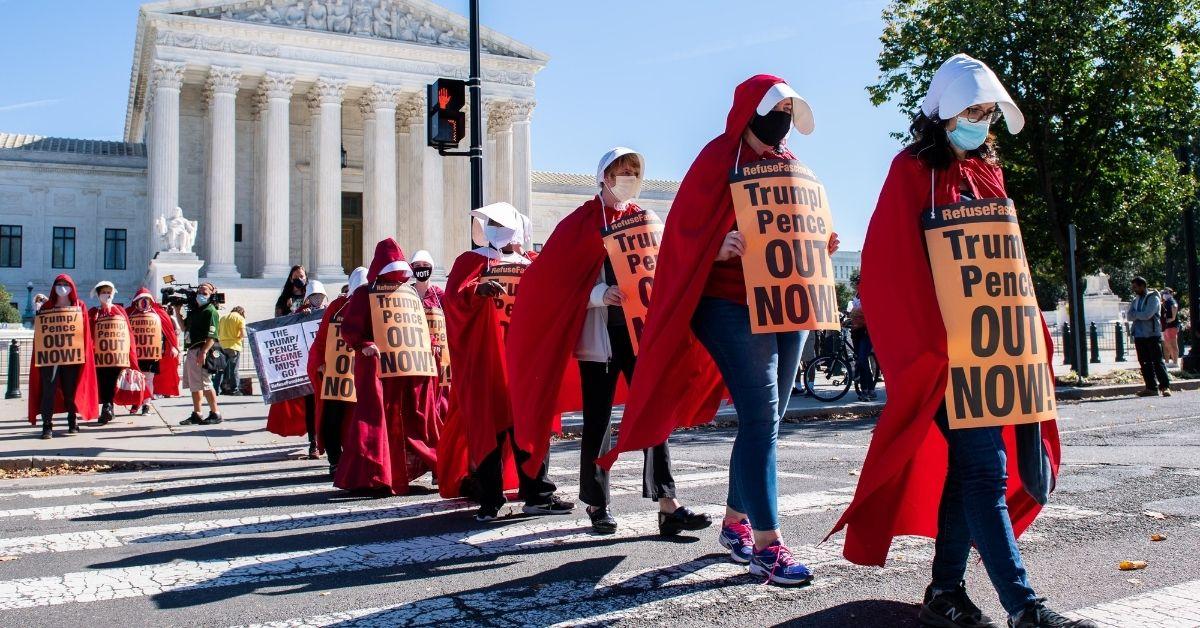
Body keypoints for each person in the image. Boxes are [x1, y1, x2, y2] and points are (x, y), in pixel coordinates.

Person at [829, 54, 1094, 628]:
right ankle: (1025, 608)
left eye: (988, 112)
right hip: (946, 354)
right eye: (972, 110)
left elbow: (1009, 265)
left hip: (994, 350)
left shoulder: (989, 172)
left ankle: (945, 589)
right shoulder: (909, 172)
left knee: (969, 471)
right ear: (944, 114)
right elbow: (888, 268)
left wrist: (1030, 340)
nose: (983, 121)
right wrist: (928, 346)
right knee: (984, 469)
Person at [595, 76, 836, 585]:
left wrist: (820, 239)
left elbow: (795, 222)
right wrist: (714, 246)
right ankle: (769, 544)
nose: (783, 121)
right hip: (726, 302)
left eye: (790, 112)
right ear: (750, 112)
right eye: (777, 110)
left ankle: (734, 523)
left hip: (785, 300)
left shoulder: (790, 164)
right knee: (761, 414)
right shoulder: (717, 161)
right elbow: (684, 236)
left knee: (766, 418)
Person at [509, 147, 710, 536]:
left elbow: (669, 266)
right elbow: (551, 286)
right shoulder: (579, 224)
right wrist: (600, 295)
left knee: (654, 412)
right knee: (598, 422)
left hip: (640, 337)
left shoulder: (646, 220)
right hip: (599, 338)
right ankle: (597, 504)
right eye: (622, 170)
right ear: (604, 176)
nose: (629, 177)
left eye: (635, 170)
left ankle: (668, 504)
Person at [439, 201, 574, 522]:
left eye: (501, 223)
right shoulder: (472, 261)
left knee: (531, 427)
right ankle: (490, 498)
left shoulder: (533, 261)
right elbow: (453, 298)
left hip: (527, 361)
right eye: (491, 224)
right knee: (489, 428)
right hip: (487, 362)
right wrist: (476, 290)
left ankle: (537, 493)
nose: (494, 229)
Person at [336, 238, 437, 493]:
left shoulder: (409, 293)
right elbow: (350, 329)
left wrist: (430, 343)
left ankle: (408, 469)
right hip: (376, 367)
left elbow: (419, 326)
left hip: (406, 367)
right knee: (375, 418)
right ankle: (372, 475)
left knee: (410, 418)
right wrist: (363, 343)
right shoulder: (364, 293)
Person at [308, 267, 367, 477]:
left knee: (359, 421)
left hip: (362, 375)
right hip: (338, 375)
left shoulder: (373, 304)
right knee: (332, 418)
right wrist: (320, 363)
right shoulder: (337, 306)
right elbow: (322, 338)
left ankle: (358, 459)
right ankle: (335, 460)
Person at [27, 274, 100, 439]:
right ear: (53, 287)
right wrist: (38, 312)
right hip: (49, 357)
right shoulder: (46, 307)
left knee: (70, 390)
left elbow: (85, 333)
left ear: (72, 287)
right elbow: (40, 332)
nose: (62, 287)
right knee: (48, 390)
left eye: (65, 284)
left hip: (71, 356)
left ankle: (72, 420)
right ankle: (47, 425)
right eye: (59, 284)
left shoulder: (79, 306)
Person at [266, 281, 327, 458]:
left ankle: (330, 442)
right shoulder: (301, 314)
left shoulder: (332, 311)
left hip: (329, 371)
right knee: (311, 409)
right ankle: (314, 443)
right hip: (308, 372)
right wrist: (301, 316)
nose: (317, 300)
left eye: (320, 296)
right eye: (313, 296)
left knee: (330, 409)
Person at [88, 282, 146, 424]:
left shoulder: (119, 310)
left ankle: (107, 408)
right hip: (99, 357)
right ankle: (108, 408)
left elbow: (128, 332)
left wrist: (130, 352)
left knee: (114, 381)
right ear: (98, 294)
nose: (106, 295)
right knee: (103, 381)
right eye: (103, 292)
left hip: (118, 356)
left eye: (109, 292)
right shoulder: (93, 312)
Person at [411, 250, 449, 449]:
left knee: (441, 408)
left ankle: (440, 455)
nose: (421, 270)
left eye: (424, 265)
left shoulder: (439, 295)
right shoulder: (406, 294)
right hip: (414, 361)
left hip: (439, 361)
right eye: (416, 266)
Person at [174, 282, 222, 425]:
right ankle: (197, 413)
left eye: (205, 293)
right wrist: (177, 311)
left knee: (206, 384)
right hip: (192, 349)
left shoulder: (210, 311)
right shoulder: (195, 311)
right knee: (195, 385)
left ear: (211, 295)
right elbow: (183, 327)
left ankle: (215, 413)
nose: (201, 295)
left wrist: (204, 352)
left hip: (201, 350)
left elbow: (212, 335)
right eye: (199, 292)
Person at [127, 288, 181, 414]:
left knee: (149, 379)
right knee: (136, 379)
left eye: (146, 299)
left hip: (151, 352)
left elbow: (169, 331)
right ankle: (136, 402)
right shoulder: (130, 313)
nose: (143, 302)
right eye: (140, 299)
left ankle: (146, 404)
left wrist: (173, 346)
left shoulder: (158, 313)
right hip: (135, 353)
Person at [1129, 277, 1171, 397]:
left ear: (1143, 286)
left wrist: (1136, 315)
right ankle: (1151, 388)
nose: (1134, 289)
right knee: (1144, 363)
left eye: (1135, 287)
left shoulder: (1153, 298)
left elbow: (1148, 315)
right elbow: (1128, 316)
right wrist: (1138, 315)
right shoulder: (1135, 300)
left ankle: (1165, 387)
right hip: (1139, 335)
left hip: (1152, 334)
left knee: (1157, 362)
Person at [848, 295, 876, 401]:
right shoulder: (856, 298)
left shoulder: (868, 295)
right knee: (861, 361)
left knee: (862, 360)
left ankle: (865, 391)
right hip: (856, 333)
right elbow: (853, 314)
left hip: (866, 333)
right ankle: (871, 390)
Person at [215, 306, 246, 395]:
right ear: (241, 312)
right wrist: (237, 338)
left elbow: (218, 331)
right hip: (234, 346)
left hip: (222, 346)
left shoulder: (223, 318)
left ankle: (217, 389)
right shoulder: (240, 318)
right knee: (234, 369)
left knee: (220, 369)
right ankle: (234, 389)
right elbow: (242, 334)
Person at [1160, 287, 1180, 368]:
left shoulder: (1171, 301)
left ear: (1171, 293)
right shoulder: (1165, 302)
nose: (1164, 294)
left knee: (1173, 344)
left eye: (1167, 292)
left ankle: (1175, 362)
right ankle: (1167, 362)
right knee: (1166, 345)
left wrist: (1173, 318)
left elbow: (1175, 306)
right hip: (1165, 326)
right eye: (1164, 292)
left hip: (1171, 326)